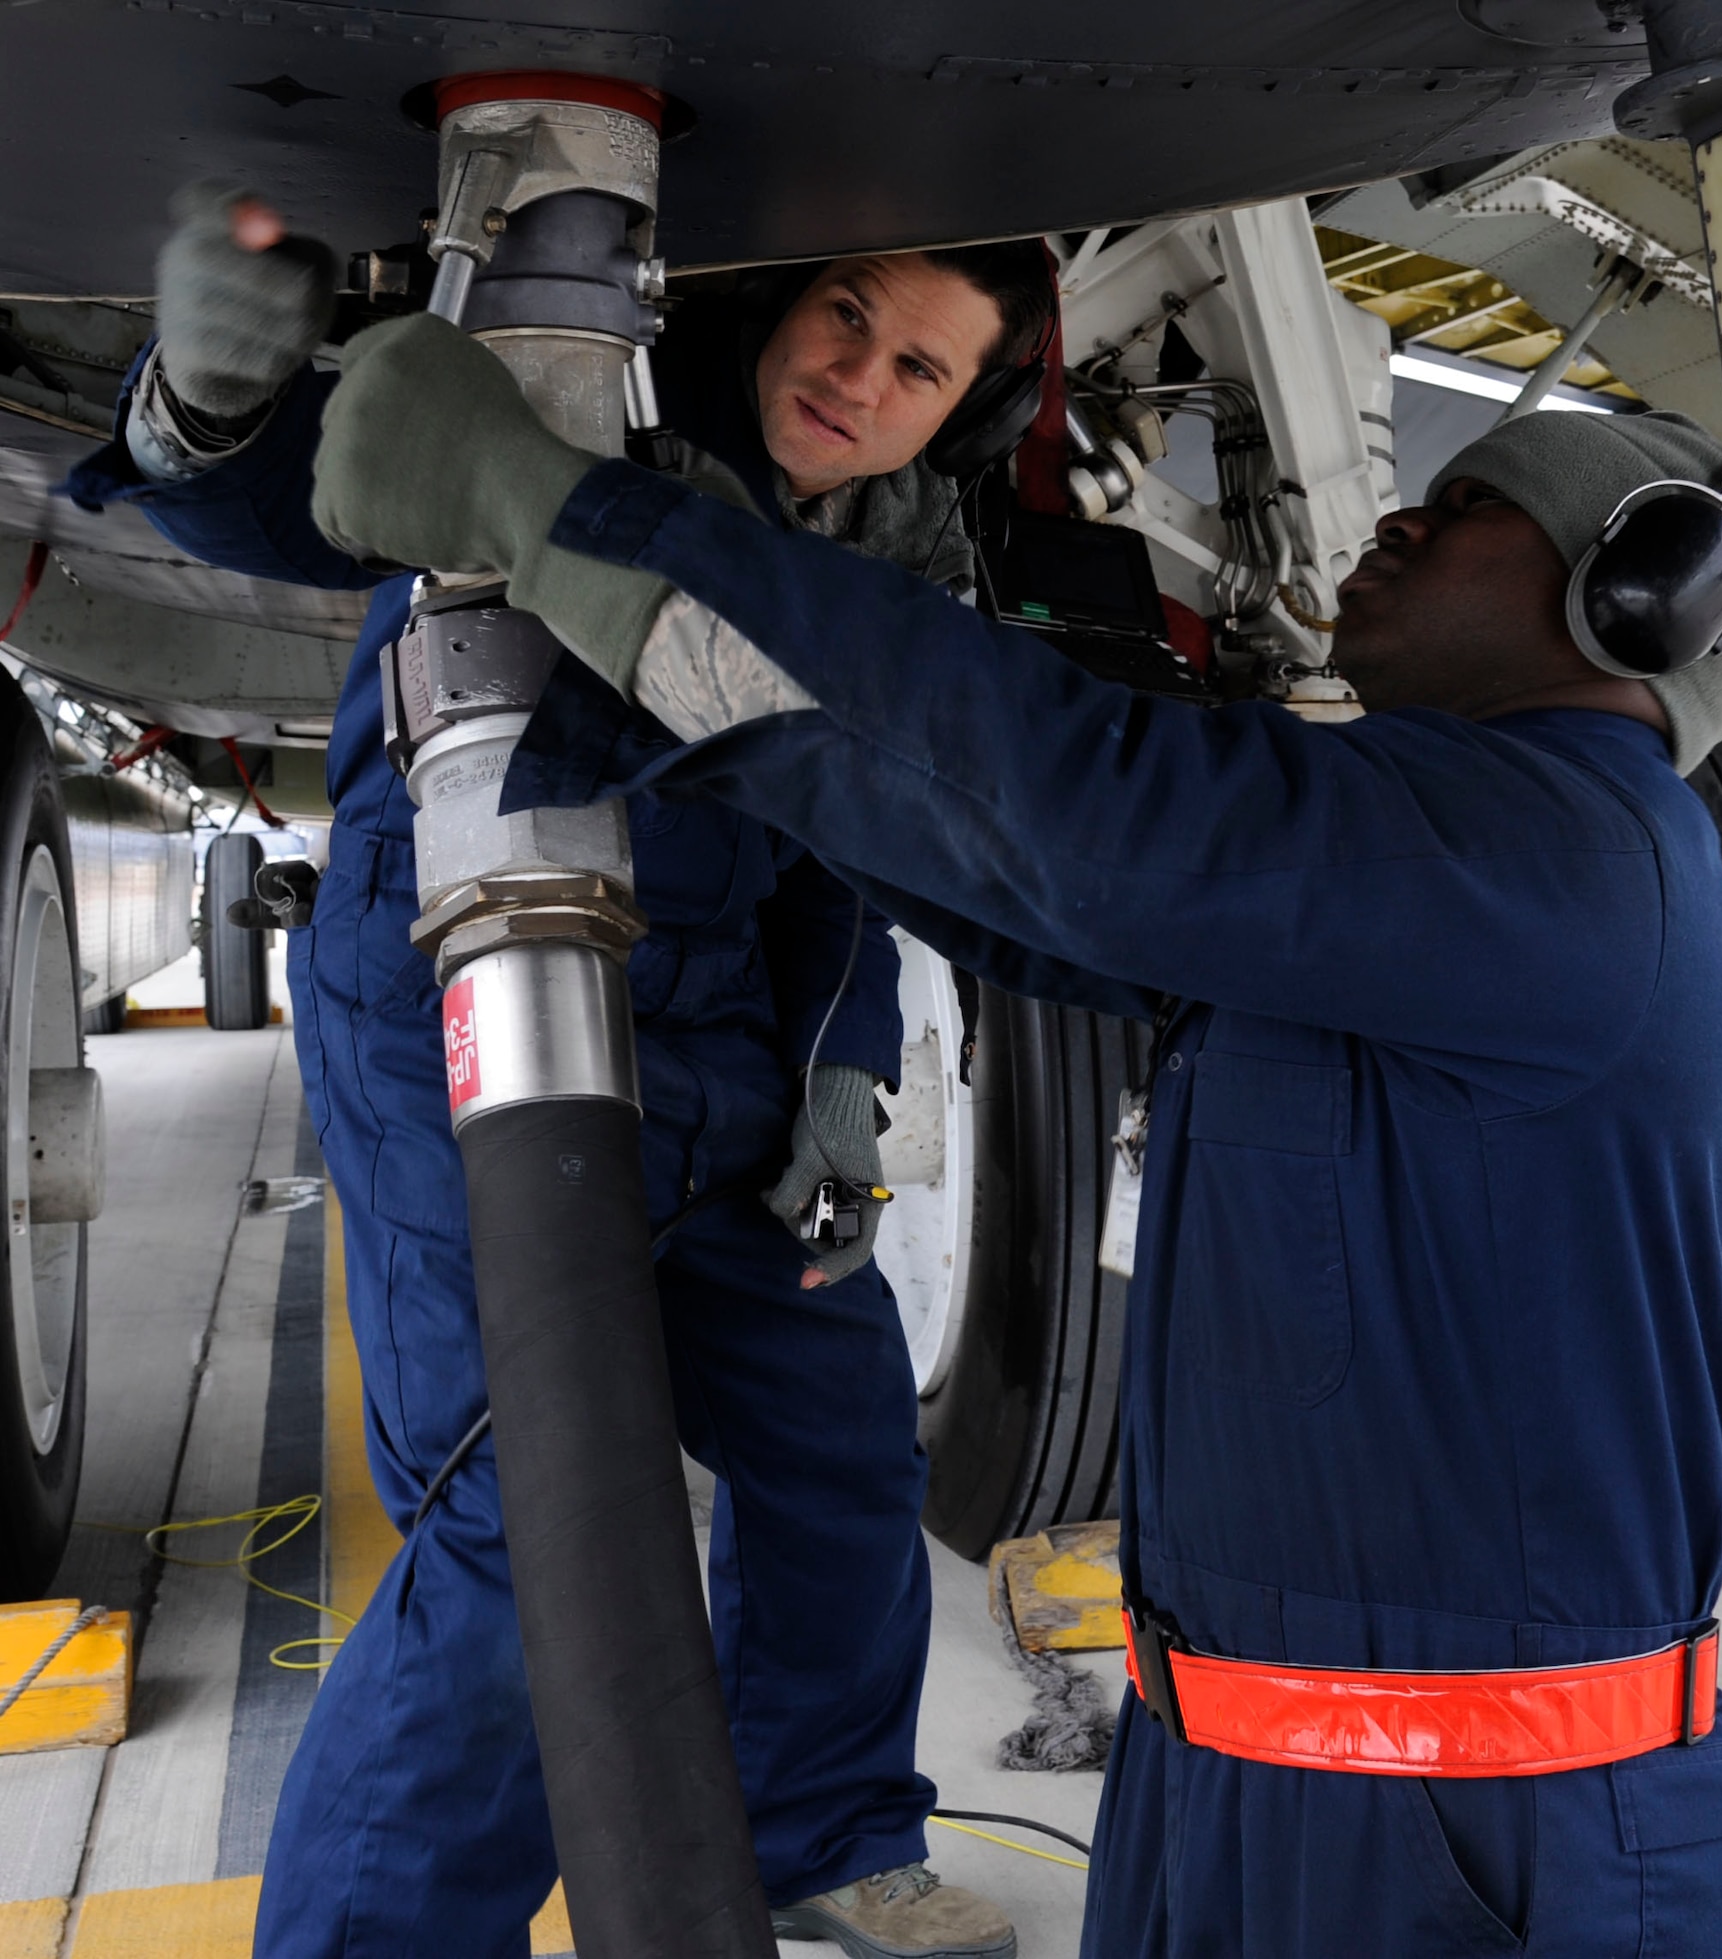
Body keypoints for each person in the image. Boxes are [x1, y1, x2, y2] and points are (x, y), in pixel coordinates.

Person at [305, 305, 1722, 1957]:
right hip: (1257, 1785)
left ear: (1637, 594)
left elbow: (1077, 807)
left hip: (1480, 1855)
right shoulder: (1414, 885)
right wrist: (649, 651)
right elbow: (1014, 877)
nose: (1398, 521)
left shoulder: (1560, 859)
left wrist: (547, 503)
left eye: (1465, 511)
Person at [64, 187, 1050, 1959]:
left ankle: (820, 1830)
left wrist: (840, 1080)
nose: (858, 378)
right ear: (775, 297)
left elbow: (848, 857)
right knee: (521, 1528)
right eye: (845, 314)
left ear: (954, 411)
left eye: (918, 367)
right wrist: (203, 406)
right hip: (465, 989)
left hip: (732, 1027)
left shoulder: (886, 561)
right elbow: (334, 486)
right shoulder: (580, 404)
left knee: (837, 1456)